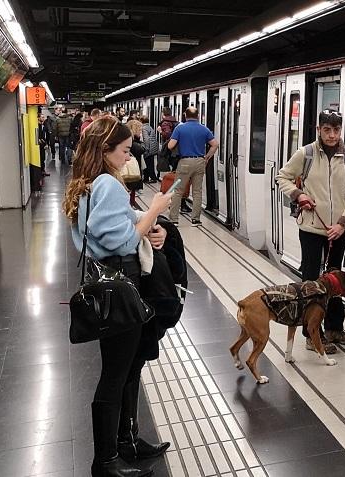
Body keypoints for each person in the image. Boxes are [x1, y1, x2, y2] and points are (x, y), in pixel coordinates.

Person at [62, 116, 172, 477]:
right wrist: (155, 211)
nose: (129, 156)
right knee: (116, 374)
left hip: (111, 287)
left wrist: (149, 225)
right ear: (105, 149)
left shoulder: (89, 183)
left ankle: (128, 441)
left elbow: (121, 222)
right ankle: (106, 461)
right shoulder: (107, 183)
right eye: (124, 150)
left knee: (129, 368)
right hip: (121, 287)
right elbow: (122, 240)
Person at [276, 110, 345, 353]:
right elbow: (282, 177)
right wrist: (299, 194)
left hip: (337, 230)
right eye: (327, 130)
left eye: (336, 130)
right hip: (312, 228)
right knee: (312, 281)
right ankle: (311, 333)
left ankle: (335, 328)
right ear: (319, 130)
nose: (332, 135)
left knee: (336, 281)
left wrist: (343, 223)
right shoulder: (306, 153)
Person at [167, 107, 219, 226]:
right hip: (200, 162)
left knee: (178, 191)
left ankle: (174, 219)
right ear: (198, 115)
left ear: (185, 115)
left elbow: (170, 146)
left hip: (185, 162)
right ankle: (196, 219)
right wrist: (207, 157)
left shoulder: (180, 128)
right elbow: (215, 144)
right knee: (197, 191)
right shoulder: (204, 129)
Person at [126, 119, 146, 207]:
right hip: (131, 171)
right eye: (140, 130)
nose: (141, 132)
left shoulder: (129, 140)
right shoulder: (133, 142)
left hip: (129, 171)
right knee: (131, 191)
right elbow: (141, 150)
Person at [141, 115, 159, 183]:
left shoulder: (144, 128)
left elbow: (146, 139)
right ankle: (146, 178)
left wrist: (146, 149)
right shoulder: (149, 127)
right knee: (149, 163)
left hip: (149, 149)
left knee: (148, 164)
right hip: (153, 148)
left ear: (141, 121)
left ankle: (153, 178)